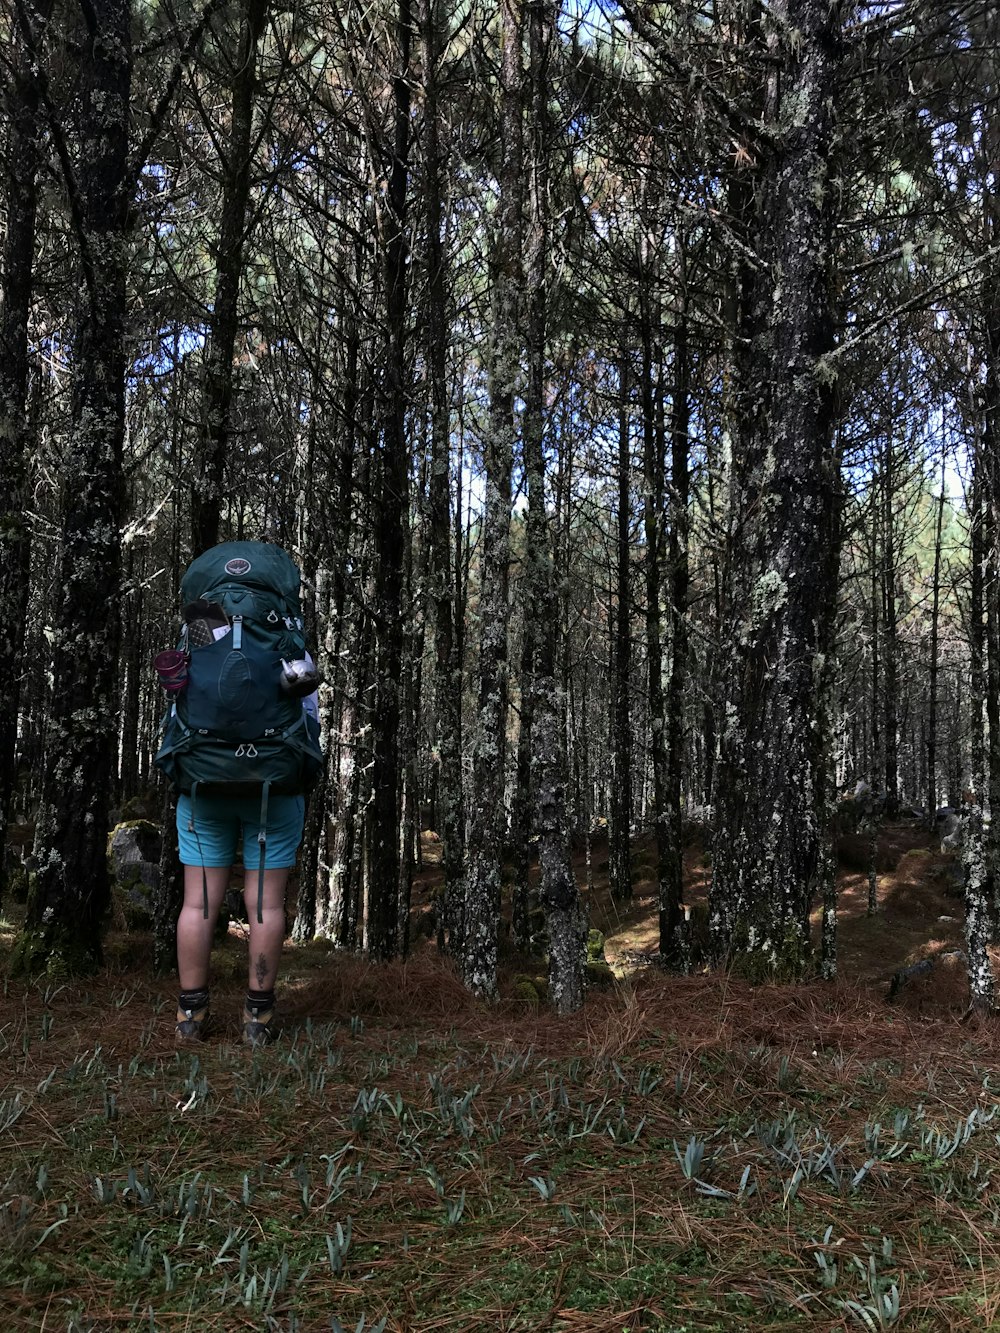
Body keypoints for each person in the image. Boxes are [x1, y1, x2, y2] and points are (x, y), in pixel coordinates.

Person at [174, 683, 319, 1047]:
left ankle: (190, 1016)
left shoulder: (200, 637)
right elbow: (310, 720)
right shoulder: (285, 639)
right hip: (274, 788)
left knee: (198, 904)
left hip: (204, 786)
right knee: (266, 905)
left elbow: (177, 714)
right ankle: (257, 1018)